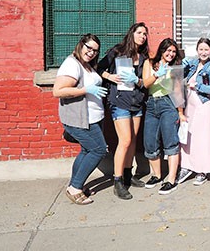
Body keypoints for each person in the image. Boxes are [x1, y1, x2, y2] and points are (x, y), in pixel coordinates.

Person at [53, 34, 108, 205]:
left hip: (93, 117)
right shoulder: (72, 63)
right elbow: (58, 91)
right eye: (88, 47)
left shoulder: (87, 65)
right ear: (81, 45)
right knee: (98, 150)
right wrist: (85, 90)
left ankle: (75, 184)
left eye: (95, 51)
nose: (91, 52)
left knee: (86, 151)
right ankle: (75, 188)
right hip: (80, 119)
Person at [97, 23, 149, 200]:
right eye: (139, 32)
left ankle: (128, 174)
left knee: (133, 140)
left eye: (145, 34)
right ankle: (117, 180)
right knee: (125, 140)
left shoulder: (143, 57)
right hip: (120, 102)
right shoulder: (117, 51)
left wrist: (139, 80)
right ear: (132, 33)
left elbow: (145, 80)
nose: (143, 36)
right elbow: (99, 67)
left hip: (137, 102)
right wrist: (110, 76)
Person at [176, 38, 210, 186]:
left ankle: (203, 171)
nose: (203, 52)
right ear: (197, 50)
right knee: (189, 138)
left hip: (203, 106)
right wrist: (184, 63)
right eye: (201, 49)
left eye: (206, 49)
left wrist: (197, 85)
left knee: (203, 139)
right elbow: (178, 73)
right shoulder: (193, 64)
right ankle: (187, 167)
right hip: (190, 106)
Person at [142, 38, 183, 195]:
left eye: (174, 52)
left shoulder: (175, 69)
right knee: (150, 141)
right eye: (168, 50)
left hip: (168, 104)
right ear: (162, 50)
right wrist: (157, 75)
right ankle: (157, 175)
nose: (171, 54)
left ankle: (171, 179)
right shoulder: (150, 63)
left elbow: (178, 92)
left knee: (170, 141)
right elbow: (146, 84)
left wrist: (180, 112)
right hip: (152, 103)